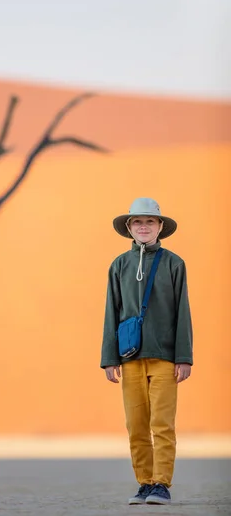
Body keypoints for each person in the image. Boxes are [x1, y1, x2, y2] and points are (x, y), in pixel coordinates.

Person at [100, 197, 193, 506]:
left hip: (165, 358)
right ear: (129, 227)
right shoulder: (119, 265)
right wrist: (110, 359)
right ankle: (144, 483)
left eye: (149, 221)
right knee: (136, 425)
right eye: (137, 222)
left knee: (162, 424)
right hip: (129, 358)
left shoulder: (174, 264)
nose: (143, 226)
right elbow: (111, 313)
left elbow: (183, 312)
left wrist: (184, 356)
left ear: (160, 227)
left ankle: (162, 484)